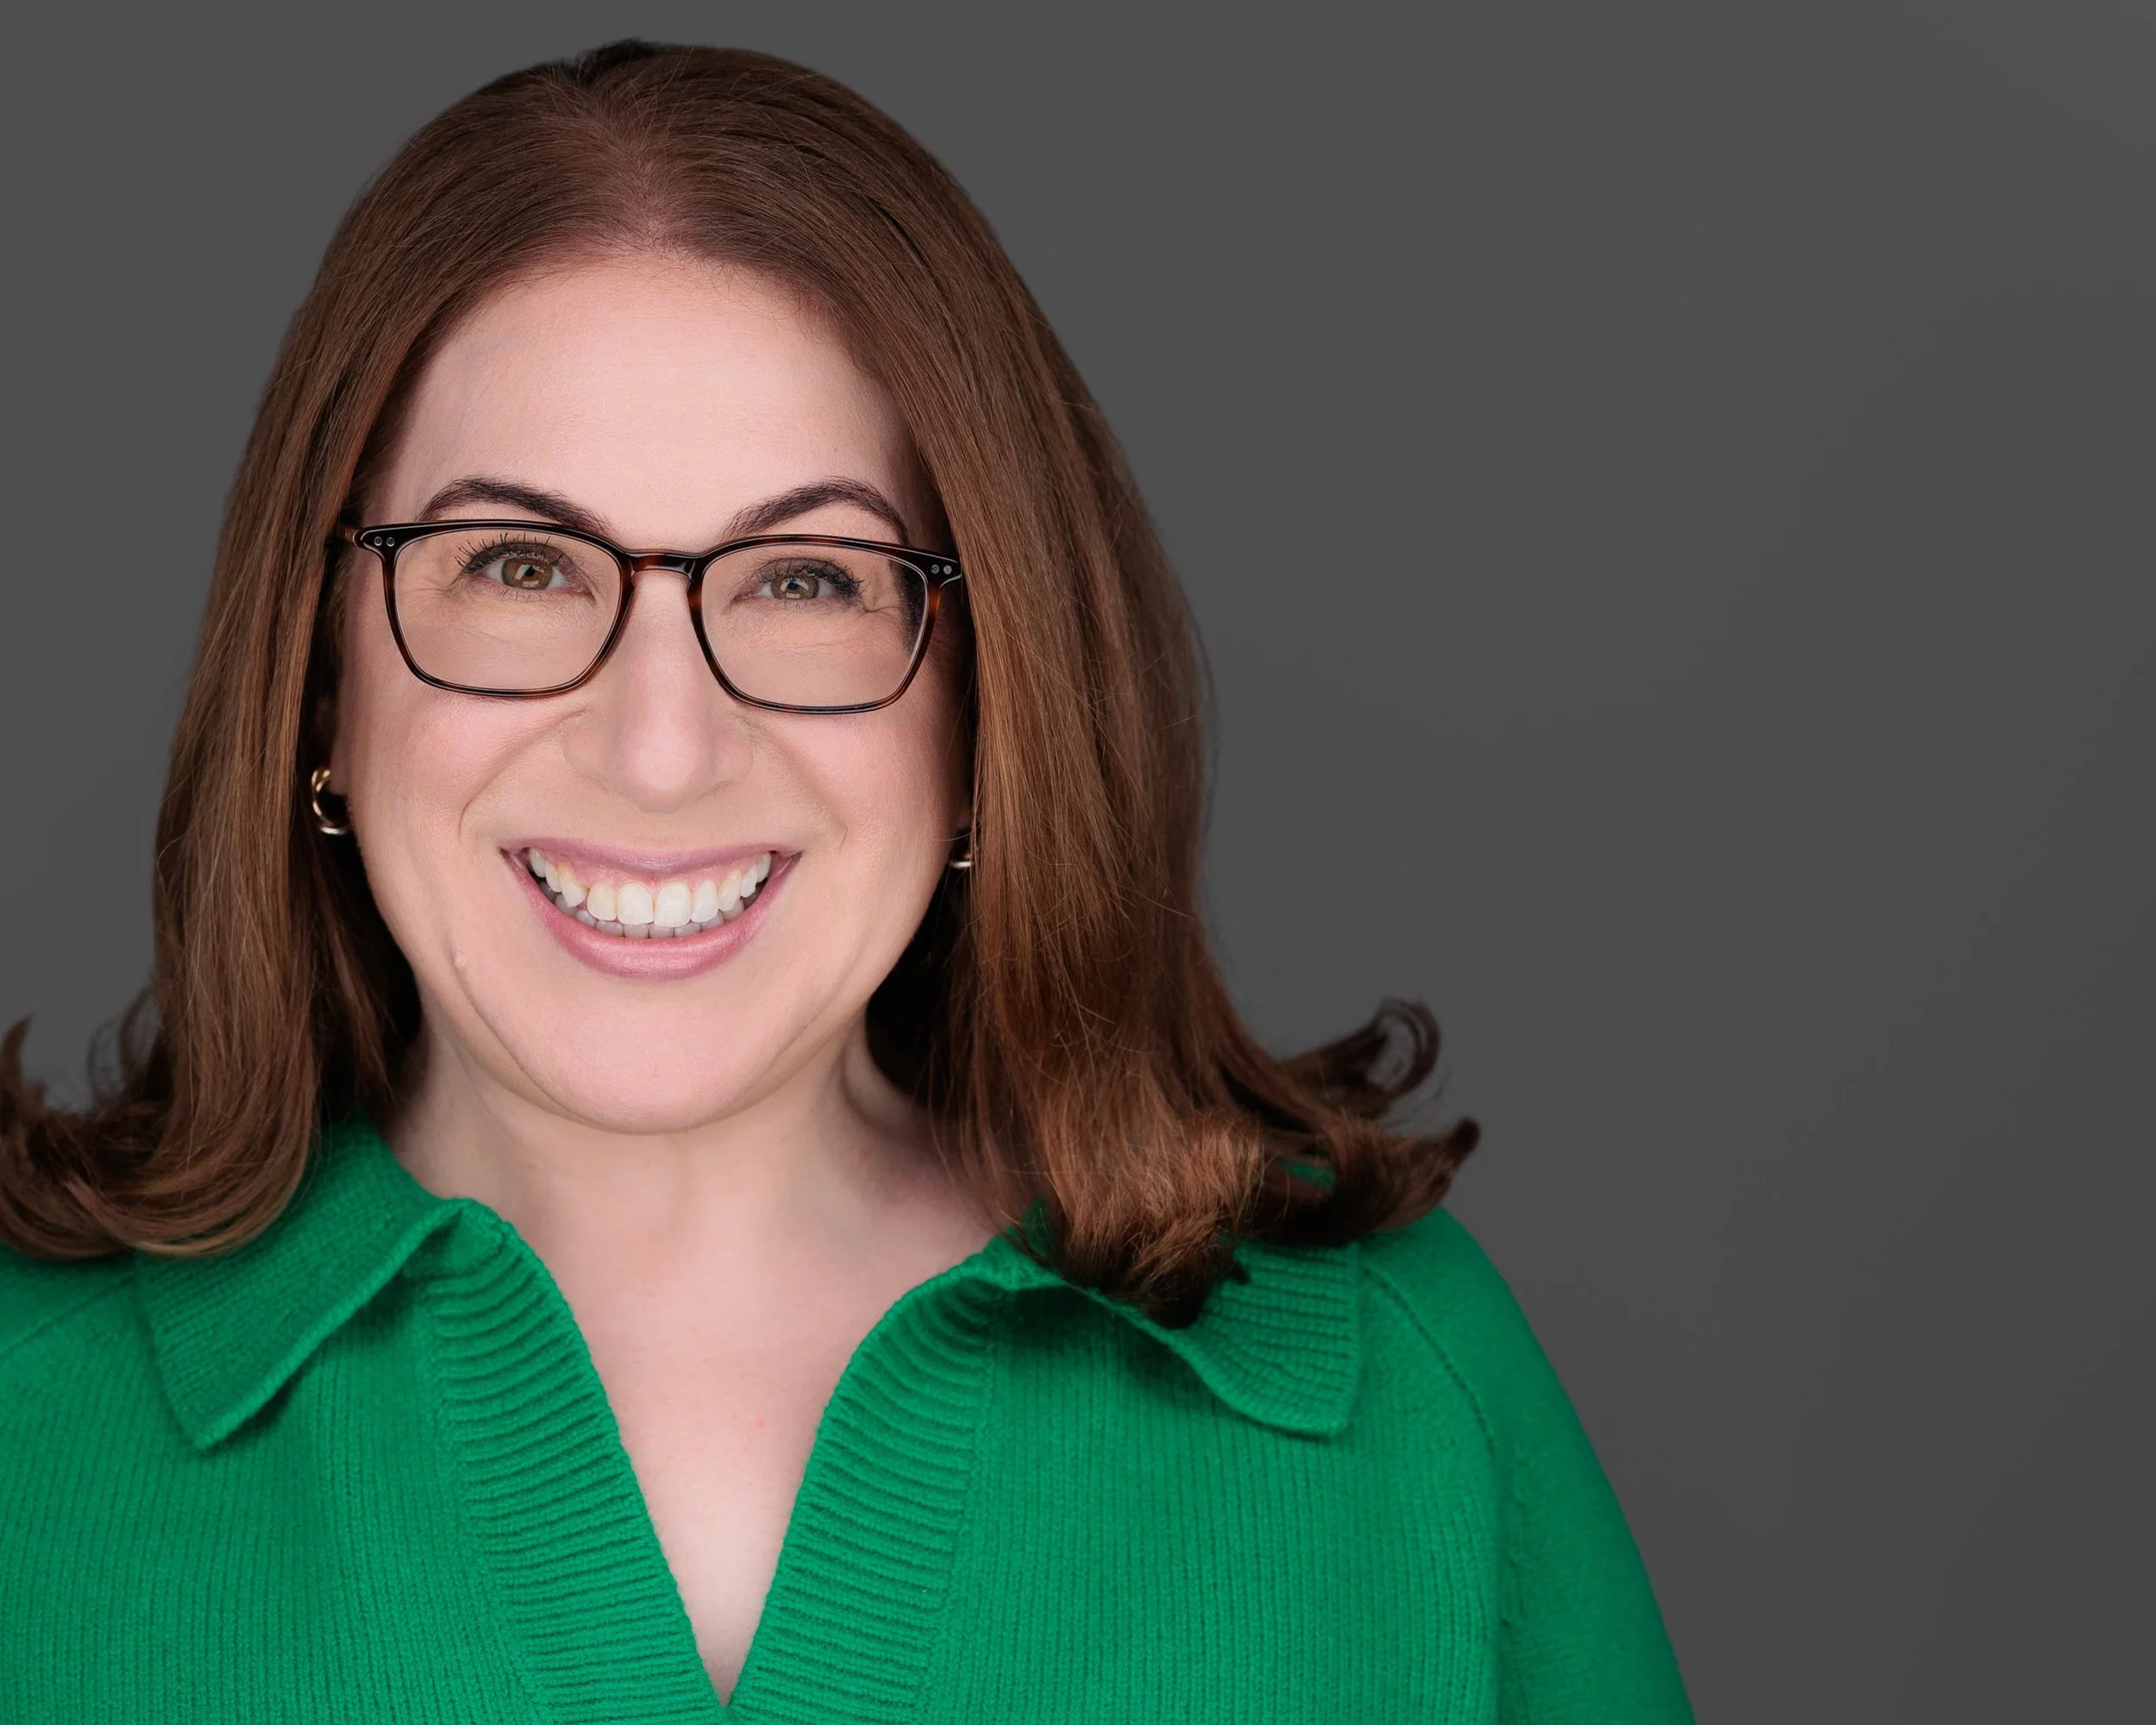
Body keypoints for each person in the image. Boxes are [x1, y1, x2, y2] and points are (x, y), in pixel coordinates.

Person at [0, 41, 1690, 1722]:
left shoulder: (1408, 1395)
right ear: (321, 686)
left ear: (982, 702)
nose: (659, 746)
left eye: (808, 577)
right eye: (514, 564)